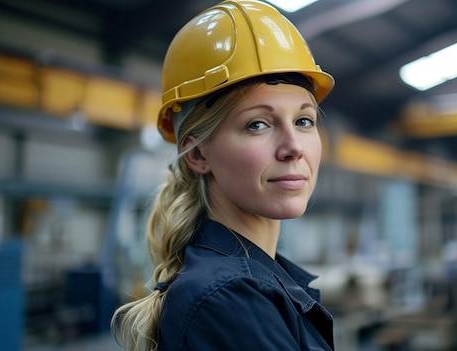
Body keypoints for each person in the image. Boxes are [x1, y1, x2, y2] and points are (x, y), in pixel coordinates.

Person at [111, 0, 335, 350]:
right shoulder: (231, 299)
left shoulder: (253, 282)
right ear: (199, 154)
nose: (294, 146)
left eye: (303, 120)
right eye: (257, 124)